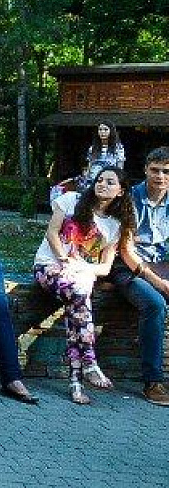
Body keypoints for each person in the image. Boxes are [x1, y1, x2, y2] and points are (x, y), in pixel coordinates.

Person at [34, 166, 131, 404]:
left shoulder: (115, 225)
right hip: (50, 266)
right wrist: (65, 260)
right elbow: (52, 234)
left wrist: (82, 268)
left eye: (110, 182)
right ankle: (88, 363)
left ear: (121, 191)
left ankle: (76, 381)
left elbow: (105, 268)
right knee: (80, 292)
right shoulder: (70, 200)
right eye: (100, 180)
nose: (102, 184)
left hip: (79, 276)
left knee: (78, 298)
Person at [112, 146, 169, 406]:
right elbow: (125, 249)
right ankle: (153, 382)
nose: (160, 177)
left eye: (166, 172)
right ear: (146, 170)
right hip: (130, 267)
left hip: (163, 264)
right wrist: (158, 282)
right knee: (154, 304)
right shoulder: (130, 199)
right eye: (155, 170)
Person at [80, 121, 125, 191]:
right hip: (93, 179)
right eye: (100, 130)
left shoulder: (118, 148)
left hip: (108, 179)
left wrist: (118, 180)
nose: (102, 132)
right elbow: (90, 165)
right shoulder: (92, 148)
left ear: (111, 131)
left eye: (105, 130)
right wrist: (86, 176)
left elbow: (120, 166)